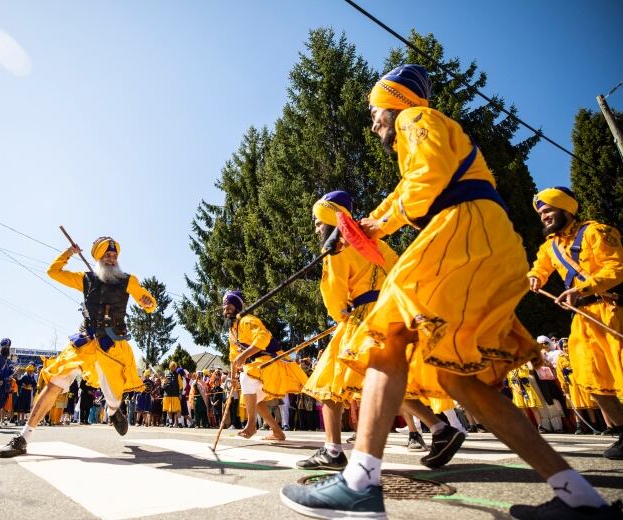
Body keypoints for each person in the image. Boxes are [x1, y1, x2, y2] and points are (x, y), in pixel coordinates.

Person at [280, 65, 620, 519]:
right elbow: (409, 187)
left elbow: (427, 179)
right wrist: (363, 228)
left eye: (375, 110)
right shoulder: (427, 132)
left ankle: (359, 482)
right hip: (490, 241)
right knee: (460, 377)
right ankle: (578, 495)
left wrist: (377, 224)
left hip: (463, 230)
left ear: (394, 100)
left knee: (388, 332)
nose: (374, 120)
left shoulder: (414, 119)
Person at [0, 237, 155, 457]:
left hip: (112, 345)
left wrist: (148, 303)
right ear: (98, 259)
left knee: (113, 396)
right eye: (107, 256)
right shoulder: (85, 279)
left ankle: (113, 410)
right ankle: (23, 437)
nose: (111, 259)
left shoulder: (128, 280)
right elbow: (53, 272)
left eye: (114, 255)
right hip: (85, 342)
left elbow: (146, 300)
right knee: (54, 383)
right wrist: (68, 253)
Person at [297, 191, 397, 470]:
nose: (316, 227)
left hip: (360, 318)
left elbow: (334, 293)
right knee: (387, 378)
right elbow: (397, 270)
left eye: (318, 221)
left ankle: (332, 450)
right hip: (388, 314)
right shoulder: (377, 241)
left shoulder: (337, 246)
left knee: (329, 380)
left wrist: (340, 313)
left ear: (330, 217)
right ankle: (440, 428)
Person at [528, 187, 623, 459]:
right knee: (590, 380)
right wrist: (535, 277)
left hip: (611, 310)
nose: (544, 216)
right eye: (541, 213)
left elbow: (616, 267)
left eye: (548, 210)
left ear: (566, 209)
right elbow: (539, 266)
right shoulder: (550, 246)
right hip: (582, 319)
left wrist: (582, 289)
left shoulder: (597, 232)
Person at [224, 290, 307, 441]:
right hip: (261, 366)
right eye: (224, 307)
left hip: (273, 362)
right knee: (255, 400)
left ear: (237, 306)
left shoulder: (247, 320)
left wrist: (244, 355)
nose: (225, 309)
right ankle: (277, 432)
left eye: (228, 306)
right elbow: (233, 357)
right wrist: (232, 378)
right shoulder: (232, 331)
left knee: (246, 376)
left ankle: (251, 425)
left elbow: (264, 337)